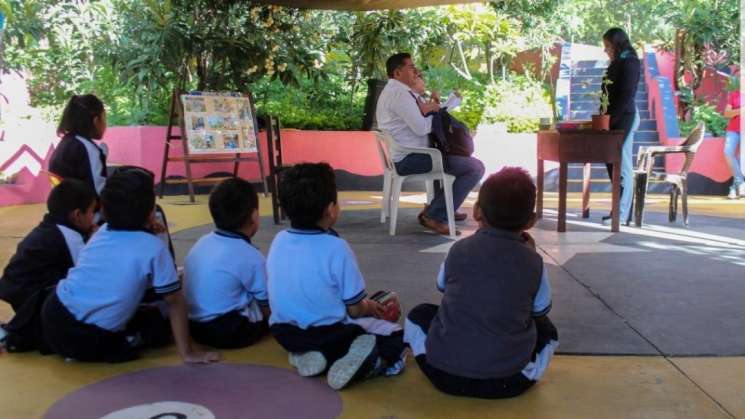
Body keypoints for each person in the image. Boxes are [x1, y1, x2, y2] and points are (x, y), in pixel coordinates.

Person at [403, 167, 559, 399]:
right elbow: (540, 310)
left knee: (420, 314)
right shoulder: (534, 262)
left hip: (443, 375)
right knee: (547, 330)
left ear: (477, 212)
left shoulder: (458, 250)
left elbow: (443, 287)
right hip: (509, 381)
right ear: (530, 221)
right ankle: (522, 365)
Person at [40, 169, 220, 364]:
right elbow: (174, 302)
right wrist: (188, 353)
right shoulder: (153, 247)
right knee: (158, 326)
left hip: (53, 314)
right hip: (89, 338)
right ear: (151, 211)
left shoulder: (101, 231)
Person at [267, 163, 406, 390]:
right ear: (330, 210)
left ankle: (303, 354)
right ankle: (371, 362)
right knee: (395, 334)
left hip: (284, 332)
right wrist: (370, 306)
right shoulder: (336, 248)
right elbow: (355, 309)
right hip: (330, 334)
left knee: (362, 303)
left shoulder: (279, 240)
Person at [376, 52, 485, 235]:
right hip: (410, 159)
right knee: (475, 167)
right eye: (411, 68)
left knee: (446, 157)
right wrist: (436, 111)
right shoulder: (399, 95)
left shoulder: (397, 92)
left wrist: (432, 109)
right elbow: (421, 128)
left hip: (411, 155)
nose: (416, 71)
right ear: (397, 73)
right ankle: (436, 214)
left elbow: (417, 119)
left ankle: (440, 207)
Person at [0, 179, 96, 352]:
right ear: (76, 215)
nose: (93, 218)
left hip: (15, 286)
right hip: (30, 293)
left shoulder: (51, 226)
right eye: (91, 212)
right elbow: (84, 273)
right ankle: (19, 334)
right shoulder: (70, 236)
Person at [184, 178, 270, 349]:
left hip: (194, 327)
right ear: (254, 216)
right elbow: (267, 303)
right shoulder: (250, 256)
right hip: (230, 331)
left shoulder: (202, 242)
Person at [601, 28, 641, 225]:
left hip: (625, 118)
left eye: (608, 46)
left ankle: (622, 214)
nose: (605, 50)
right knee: (610, 161)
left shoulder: (630, 61)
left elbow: (626, 96)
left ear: (617, 44)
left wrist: (612, 120)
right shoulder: (618, 61)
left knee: (621, 165)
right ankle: (618, 209)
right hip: (614, 118)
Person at [49, 94, 108, 196]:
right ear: (96, 121)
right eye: (104, 118)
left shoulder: (65, 143)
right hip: (84, 209)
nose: (105, 124)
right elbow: (99, 192)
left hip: (63, 207)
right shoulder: (88, 149)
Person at [723, 78, 743, 199]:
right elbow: (726, 113)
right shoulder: (734, 95)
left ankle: (736, 186)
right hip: (733, 130)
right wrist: (740, 110)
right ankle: (740, 183)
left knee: (742, 158)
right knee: (728, 152)